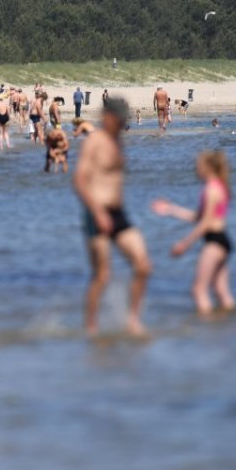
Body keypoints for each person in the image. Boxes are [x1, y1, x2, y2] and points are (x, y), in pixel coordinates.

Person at [73, 98, 152, 336]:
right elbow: (79, 180)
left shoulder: (118, 140)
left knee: (143, 266)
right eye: (118, 118)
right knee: (103, 275)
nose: (122, 122)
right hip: (96, 213)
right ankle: (91, 327)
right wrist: (97, 212)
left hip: (118, 214)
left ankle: (132, 321)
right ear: (107, 116)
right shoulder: (95, 141)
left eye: (123, 118)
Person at [152, 151, 236, 316]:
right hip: (222, 241)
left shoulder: (211, 189)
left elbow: (205, 223)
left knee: (198, 290)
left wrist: (184, 244)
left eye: (198, 166)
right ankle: (229, 327)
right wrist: (171, 209)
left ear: (208, 168)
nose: (196, 169)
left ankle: (207, 331)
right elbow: (198, 217)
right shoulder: (219, 186)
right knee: (220, 290)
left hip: (214, 241)